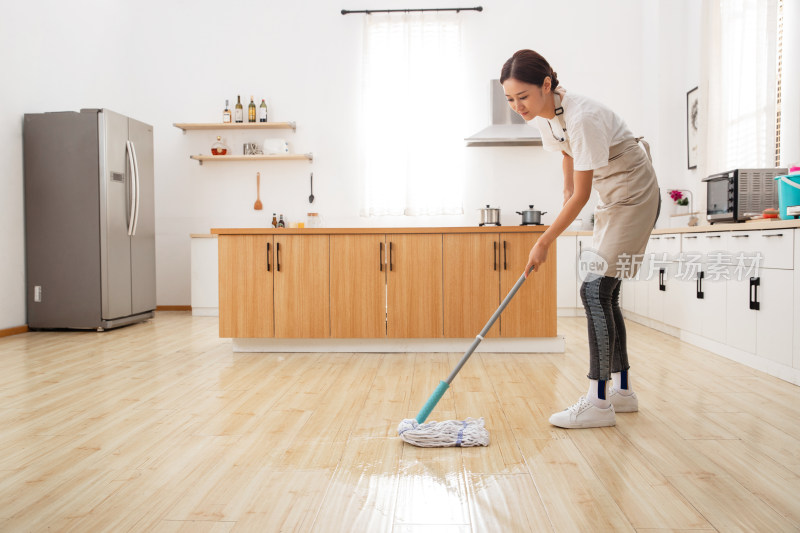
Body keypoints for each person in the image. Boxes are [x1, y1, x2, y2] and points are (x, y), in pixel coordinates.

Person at [500, 49, 660, 429]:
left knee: (594, 290)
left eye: (523, 96)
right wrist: (566, 191)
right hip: (612, 194)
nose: (517, 106)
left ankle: (598, 402)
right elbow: (567, 156)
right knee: (606, 292)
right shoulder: (545, 116)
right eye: (510, 99)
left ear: (547, 84)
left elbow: (582, 196)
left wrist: (544, 240)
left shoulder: (583, 116)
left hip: (634, 193)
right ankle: (621, 393)